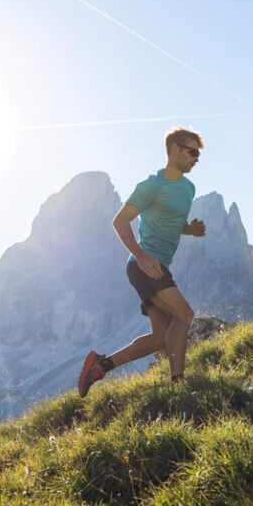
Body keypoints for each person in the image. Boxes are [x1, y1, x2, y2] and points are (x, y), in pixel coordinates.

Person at [77, 125, 207, 397]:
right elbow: (120, 221)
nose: (196, 158)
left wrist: (188, 229)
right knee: (184, 315)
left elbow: (170, 221)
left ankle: (101, 365)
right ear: (174, 150)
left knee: (160, 338)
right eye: (192, 151)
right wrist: (141, 255)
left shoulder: (188, 189)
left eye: (199, 154)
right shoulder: (151, 186)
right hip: (144, 264)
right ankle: (178, 385)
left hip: (158, 265)